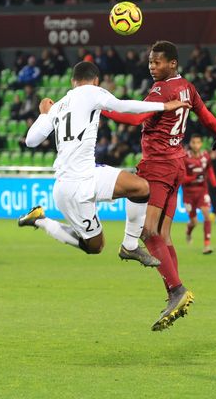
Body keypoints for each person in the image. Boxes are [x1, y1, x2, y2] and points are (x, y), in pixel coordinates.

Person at [102, 41, 216, 331]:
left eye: (157, 62)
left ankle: (176, 290)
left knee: (148, 232)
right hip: (178, 166)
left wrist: (102, 108)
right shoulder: (187, 87)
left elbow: (136, 117)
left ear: (172, 63)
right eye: (150, 62)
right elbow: (206, 115)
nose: (152, 67)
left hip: (159, 166)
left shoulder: (162, 90)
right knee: (163, 234)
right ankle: (175, 291)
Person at [17, 61, 190, 270]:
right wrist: (164, 106)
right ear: (96, 81)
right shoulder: (93, 91)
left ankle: (130, 245)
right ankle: (41, 220)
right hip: (73, 187)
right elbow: (124, 106)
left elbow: (31, 140)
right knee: (94, 246)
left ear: (73, 82)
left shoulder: (59, 105)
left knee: (141, 188)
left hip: (87, 175)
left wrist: (45, 113)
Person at [182, 134, 216, 255]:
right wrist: (193, 177)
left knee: (207, 215)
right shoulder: (185, 157)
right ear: (190, 144)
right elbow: (181, 177)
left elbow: (209, 169)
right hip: (189, 193)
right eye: (194, 142)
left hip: (202, 190)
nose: (196, 145)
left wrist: (214, 182)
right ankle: (188, 231)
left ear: (201, 144)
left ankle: (207, 245)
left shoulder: (205, 156)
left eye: (198, 142)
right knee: (194, 222)